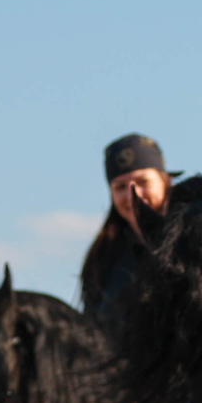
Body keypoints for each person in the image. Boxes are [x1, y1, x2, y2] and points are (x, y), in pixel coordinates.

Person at [81, 133, 186, 323]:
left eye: (143, 182)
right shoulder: (103, 260)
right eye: (120, 187)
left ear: (164, 181)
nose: (133, 195)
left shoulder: (195, 242)